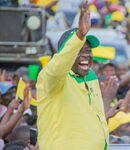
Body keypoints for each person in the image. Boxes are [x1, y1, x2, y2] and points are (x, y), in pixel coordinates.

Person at [36, 1, 108, 149]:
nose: (86, 55)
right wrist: (79, 36)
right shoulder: (51, 78)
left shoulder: (91, 76)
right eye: (79, 50)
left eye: (88, 50)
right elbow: (58, 65)